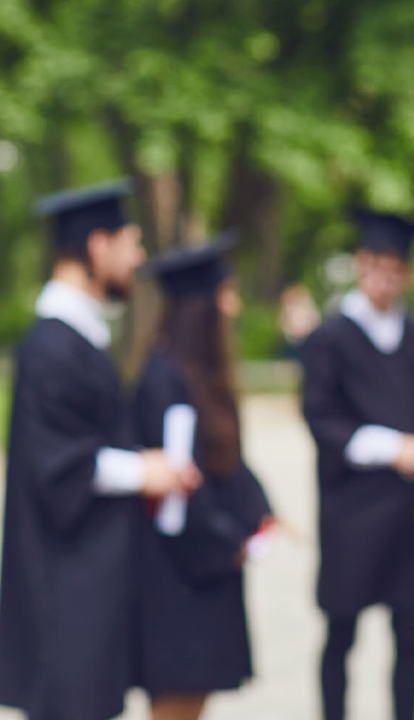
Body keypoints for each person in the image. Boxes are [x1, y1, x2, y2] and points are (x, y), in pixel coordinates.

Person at [0, 181, 200, 720]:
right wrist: (143, 469)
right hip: (62, 590)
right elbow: (56, 463)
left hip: (85, 584)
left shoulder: (78, 337)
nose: (137, 259)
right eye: (130, 244)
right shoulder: (52, 345)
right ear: (97, 247)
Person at [301, 210, 414, 720]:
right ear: (360, 266)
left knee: (406, 629)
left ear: (406, 273)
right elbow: (321, 419)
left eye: (395, 270)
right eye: (375, 267)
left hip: (407, 508)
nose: (385, 279)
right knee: (341, 628)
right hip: (351, 505)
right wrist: (394, 449)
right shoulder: (330, 338)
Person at [133, 237, 274, 720]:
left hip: (206, 568)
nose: (234, 307)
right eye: (226, 294)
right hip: (179, 573)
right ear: (202, 308)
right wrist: (228, 541)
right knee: (178, 700)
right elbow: (182, 484)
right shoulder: (165, 377)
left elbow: (224, 462)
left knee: (197, 701)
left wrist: (261, 513)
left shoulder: (200, 376)